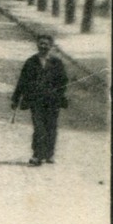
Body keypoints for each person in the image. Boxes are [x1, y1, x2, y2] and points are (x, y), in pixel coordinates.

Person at [12, 34, 69, 166]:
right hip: (36, 100)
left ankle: (49, 154)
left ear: (51, 46)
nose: (43, 46)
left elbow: (64, 81)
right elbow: (22, 81)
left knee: (51, 127)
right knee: (39, 128)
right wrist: (16, 99)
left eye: (46, 44)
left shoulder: (57, 63)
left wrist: (57, 93)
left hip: (52, 101)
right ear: (37, 45)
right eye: (41, 43)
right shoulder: (31, 62)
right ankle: (37, 155)